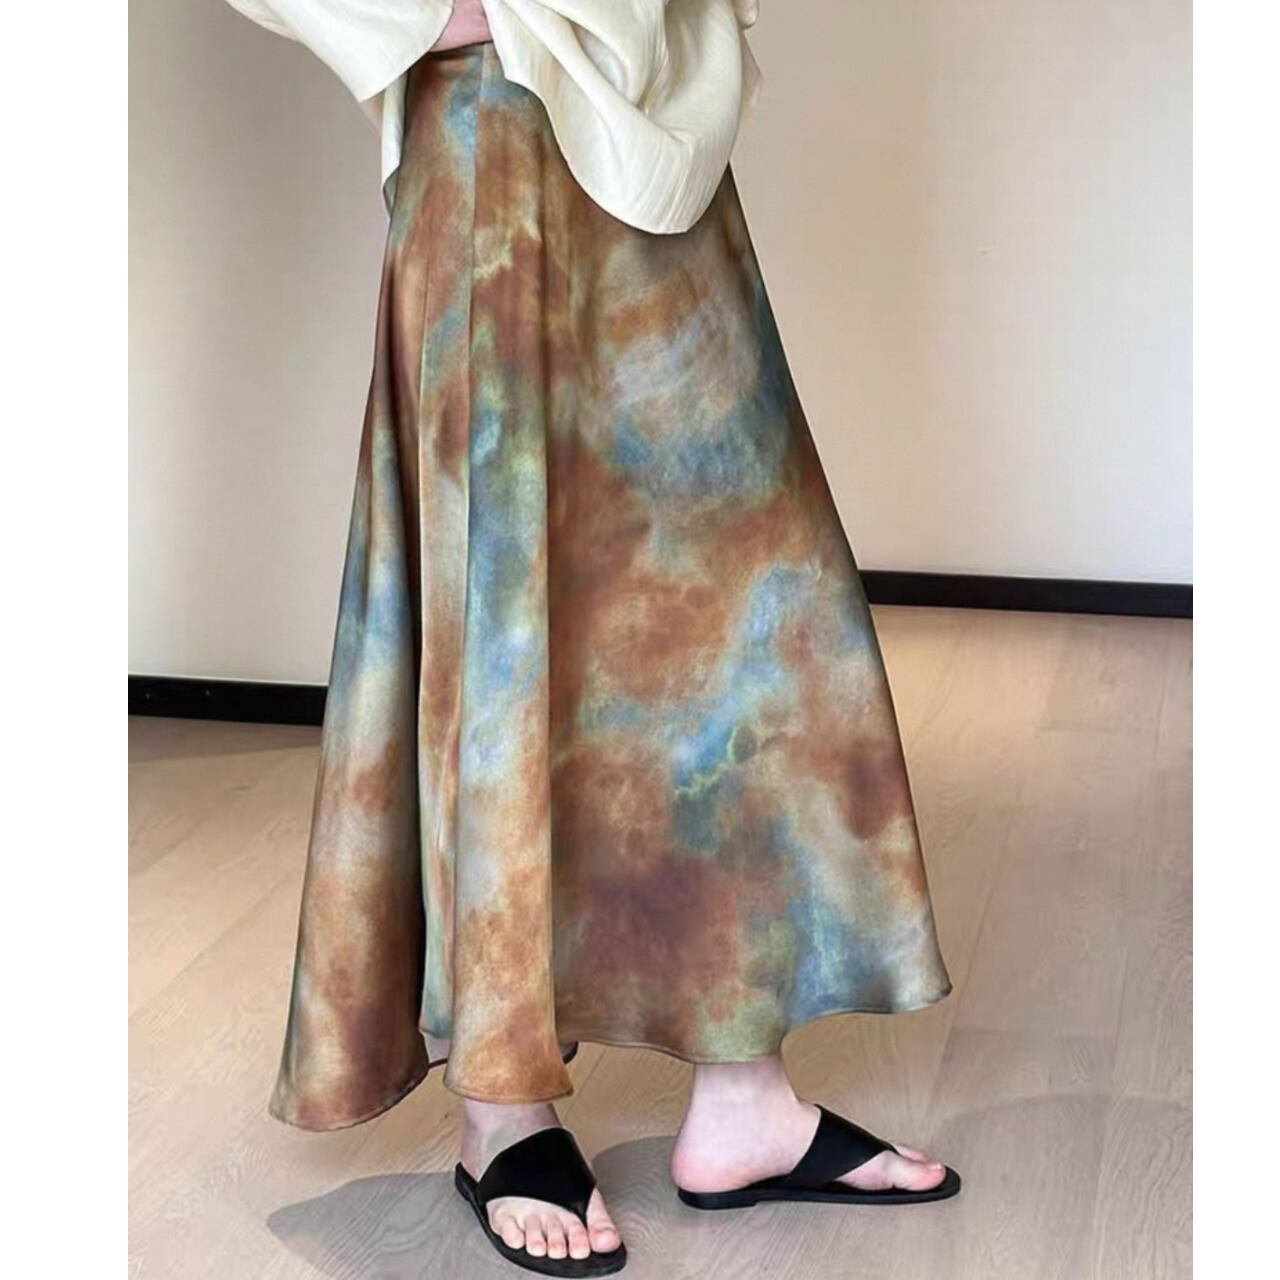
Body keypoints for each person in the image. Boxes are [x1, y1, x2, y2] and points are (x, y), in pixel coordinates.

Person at [223, 2, 960, 1274]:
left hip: (660, 133)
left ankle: (743, 1095)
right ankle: (501, 1108)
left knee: (749, 609)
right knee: (501, 631)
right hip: (493, 138)